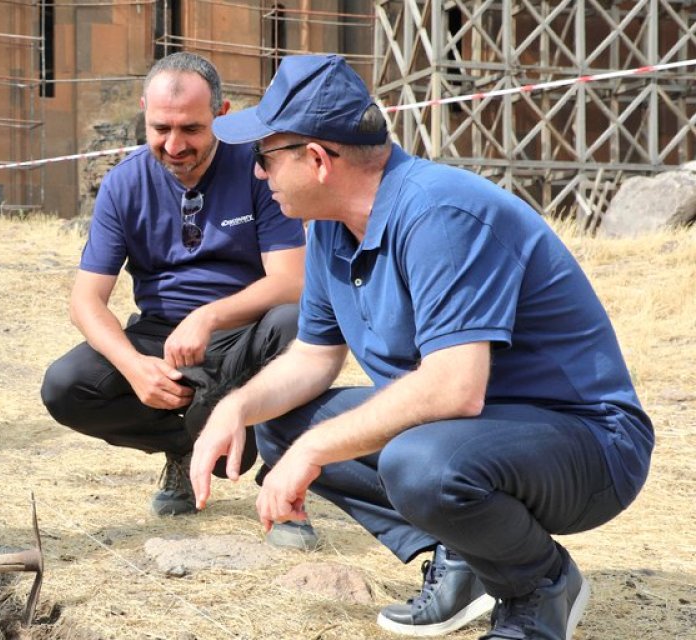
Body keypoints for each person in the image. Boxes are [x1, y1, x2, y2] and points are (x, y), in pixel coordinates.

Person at [191, 54, 653, 639]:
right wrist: (237, 407)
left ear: (317, 159)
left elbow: (454, 388)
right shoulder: (332, 228)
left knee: (416, 464)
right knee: (281, 423)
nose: (259, 175)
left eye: (264, 157)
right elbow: (311, 358)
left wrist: (314, 452)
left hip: (589, 444)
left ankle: (539, 586)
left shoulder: (439, 213)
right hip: (477, 436)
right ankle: (465, 560)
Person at [40, 52, 307, 525]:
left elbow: (291, 279)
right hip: (162, 338)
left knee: (296, 324)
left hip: (246, 333)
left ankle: (286, 486)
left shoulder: (259, 169)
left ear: (221, 117)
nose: (174, 145)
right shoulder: (123, 184)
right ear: (145, 110)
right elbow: (85, 300)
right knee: (66, 385)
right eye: (160, 128)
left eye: (191, 130)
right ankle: (185, 450)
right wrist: (135, 367)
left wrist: (208, 317)